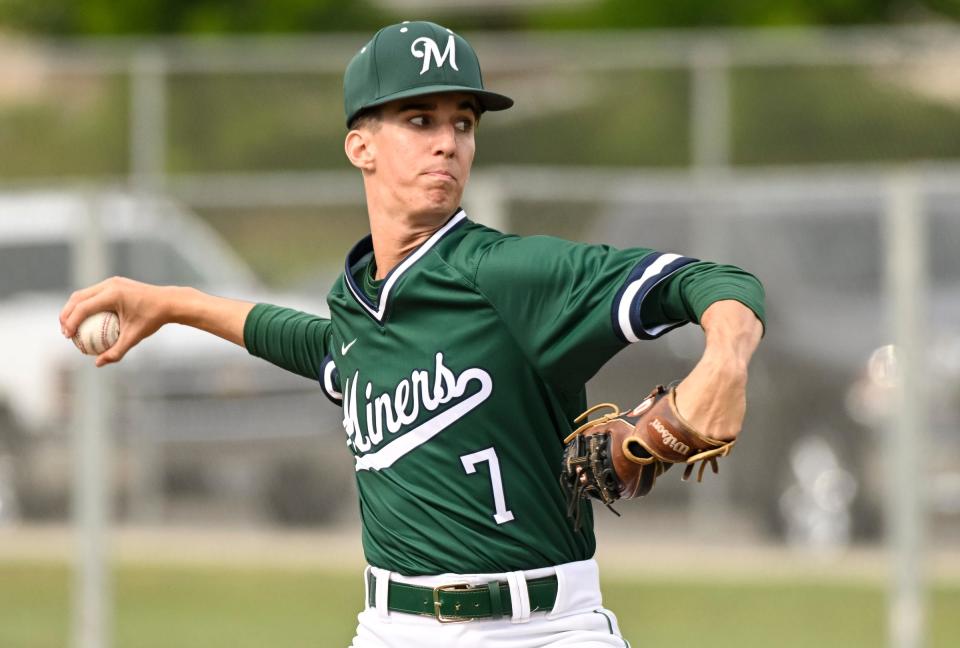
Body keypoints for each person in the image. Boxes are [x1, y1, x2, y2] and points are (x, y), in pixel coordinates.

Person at [60, 21, 764, 647]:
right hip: (390, 628)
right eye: (419, 119)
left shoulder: (506, 272)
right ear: (360, 145)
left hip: (544, 627)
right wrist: (177, 303)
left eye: (463, 122)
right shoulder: (359, 300)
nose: (448, 144)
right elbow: (322, 349)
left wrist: (724, 361)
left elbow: (714, 281)